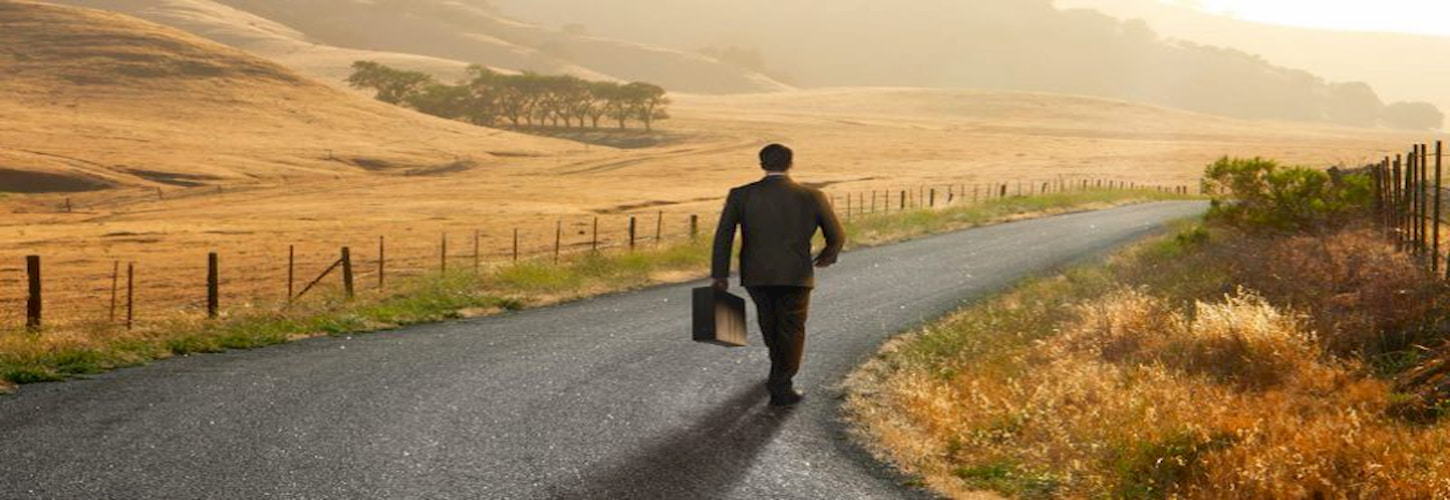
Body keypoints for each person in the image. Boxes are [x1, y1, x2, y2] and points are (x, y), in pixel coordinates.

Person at [711, 144, 846, 407]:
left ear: (762, 164)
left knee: (769, 322)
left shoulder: (741, 195)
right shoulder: (812, 195)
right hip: (796, 273)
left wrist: (720, 274)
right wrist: (826, 256)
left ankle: (778, 371)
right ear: (790, 163)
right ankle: (781, 385)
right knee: (792, 328)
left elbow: (723, 236)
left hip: (756, 273)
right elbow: (837, 235)